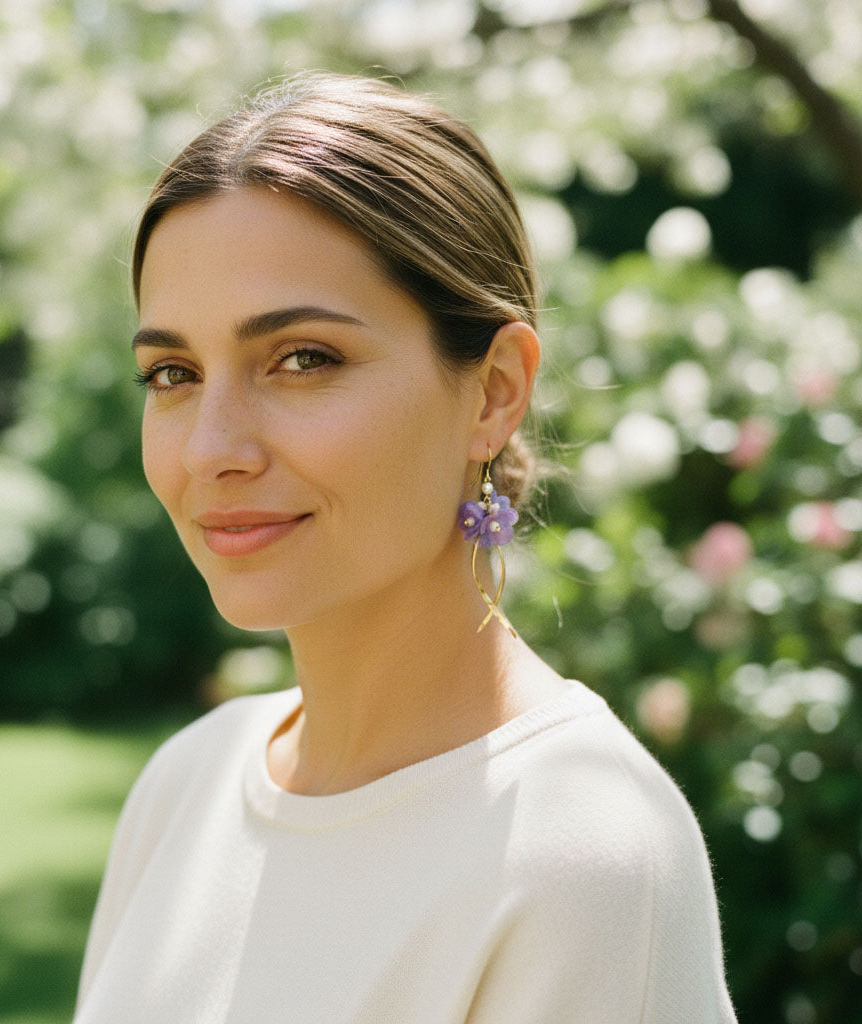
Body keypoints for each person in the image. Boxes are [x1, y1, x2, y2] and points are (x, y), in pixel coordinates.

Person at [73, 72, 738, 1023]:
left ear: (494, 391)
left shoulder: (582, 856)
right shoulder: (188, 783)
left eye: (304, 359)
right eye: (172, 373)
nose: (213, 449)